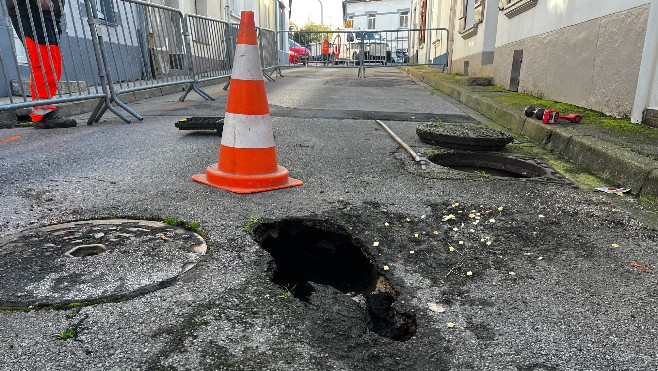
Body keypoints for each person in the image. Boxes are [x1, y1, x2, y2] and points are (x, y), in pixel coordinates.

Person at [6, 0, 77, 128]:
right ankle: (43, 113)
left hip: (47, 13)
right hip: (31, 11)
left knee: (50, 62)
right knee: (43, 61)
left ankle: (45, 109)